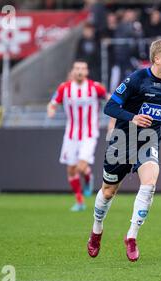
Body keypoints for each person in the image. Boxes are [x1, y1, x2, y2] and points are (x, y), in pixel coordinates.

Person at [86, 39, 161, 262]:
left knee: (149, 184)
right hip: (122, 141)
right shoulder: (136, 79)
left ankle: (131, 237)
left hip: (149, 141)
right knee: (108, 192)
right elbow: (110, 106)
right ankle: (97, 230)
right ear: (156, 59)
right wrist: (133, 117)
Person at [47, 60, 107, 211]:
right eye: (77, 68)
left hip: (89, 134)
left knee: (81, 167)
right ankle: (79, 201)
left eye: (82, 68)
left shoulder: (95, 87)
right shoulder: (64, 88)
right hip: (71, 135)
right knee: (71, 169)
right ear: (73, 71)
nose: (79, 71)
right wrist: (51, 109)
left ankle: (87, 177)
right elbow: (53, 102)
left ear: (87, 72)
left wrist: (113, 119)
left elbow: (111, 99)